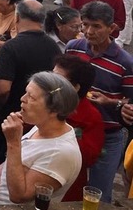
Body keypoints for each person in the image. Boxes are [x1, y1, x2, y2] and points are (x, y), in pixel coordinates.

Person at [66, 1, 133, 202]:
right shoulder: (73, 49)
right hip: (73, 130)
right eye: (85, 25)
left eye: (96, 26)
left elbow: (130, 102)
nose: (88, 31)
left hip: (108, 135)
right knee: (67, 186)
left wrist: (110, 101)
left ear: (112, 28)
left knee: (98, 194)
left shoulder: (125, 63)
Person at [0, 72, 81, 204]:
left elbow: (19, 196)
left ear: (54, 110)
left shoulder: (61, 153)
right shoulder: (42, 125)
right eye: (26, 93)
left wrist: (13, 142)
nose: (22, 99)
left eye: (31, 97)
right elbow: (24, 159)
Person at [0, 0, 61, 167]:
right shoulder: (53, 47)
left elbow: (3, 89)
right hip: (39, 115)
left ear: (17, 17)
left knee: (3, 164)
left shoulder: (11, 47)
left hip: (11, 117)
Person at [52, 55, 106, 202]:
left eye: (57, 79)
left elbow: (89, 157)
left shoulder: (91, 117)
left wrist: (60, 129)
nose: (50, 81)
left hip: (66, 188)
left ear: (75, 87)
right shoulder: (44, 101)